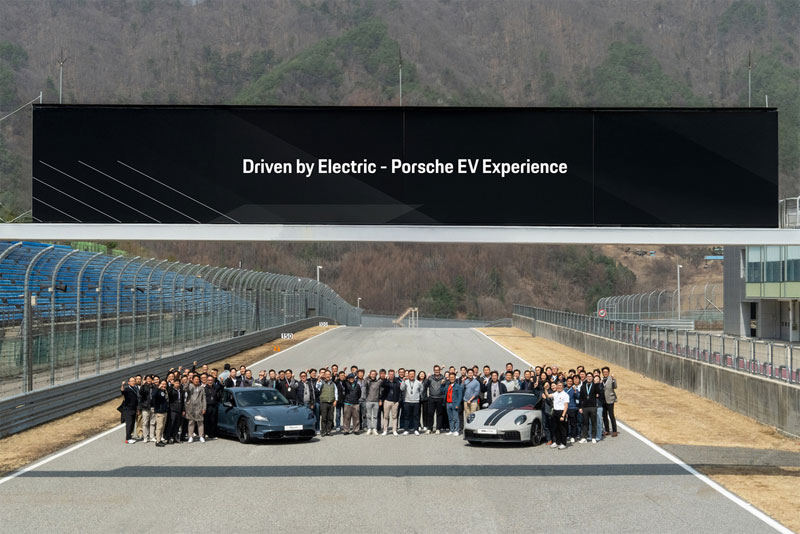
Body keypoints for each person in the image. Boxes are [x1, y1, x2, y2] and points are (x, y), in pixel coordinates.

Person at [579, 372, 602, 443]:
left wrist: (597, 383)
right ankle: (584, 437)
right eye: (588, 376)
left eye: (590, 376)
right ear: (586, 377)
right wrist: (580, 407)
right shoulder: (583, 386)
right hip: (585, 407)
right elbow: (581, 397)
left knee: (593, 422)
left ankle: (593, 437)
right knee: (585, 422)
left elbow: (599, 392)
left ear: (592, 378)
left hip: (593, 406)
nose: (589, 378)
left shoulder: (595, 385)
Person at [424, 366, 447, 434]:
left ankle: (438, 428)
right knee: (430, 414)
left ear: (440, 370)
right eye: (435, 370)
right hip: (431, 398)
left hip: (440, 398)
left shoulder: (443, 378)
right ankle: (429, 428)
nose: (436, 371)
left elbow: (446, 388)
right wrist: (427, 378)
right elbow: (425, 385)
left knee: (439, 414)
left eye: (438, 370)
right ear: (433, 371)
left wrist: (444, 383)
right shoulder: (430, 377)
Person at [185, 375, 207, 443]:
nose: (196, 380)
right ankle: (190, 436)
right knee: (191, 422)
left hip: (199, 407)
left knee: (200, 422)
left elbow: (204, 398)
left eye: (197, 379)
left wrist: (204, 408)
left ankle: (201, 436)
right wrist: (188, 381)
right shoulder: (190, 386)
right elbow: (185, 388)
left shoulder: (201, 388)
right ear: (192, 380)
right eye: (195, 379)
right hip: (190, 407)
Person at [400, 369, 422, 435]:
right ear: (408, 375)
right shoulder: (406, 381)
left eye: (413, 374)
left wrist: (417, 396)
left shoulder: (418, 382)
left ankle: (416, 429)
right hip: (407, 401)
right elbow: (402, 388)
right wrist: (403, 381)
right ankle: (406, 429)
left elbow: (421, 390)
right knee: (407, 416)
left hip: (416, 402)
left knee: (416, 416)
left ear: (415, 375)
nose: (411, 375)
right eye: (410, 374)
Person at [316, 370, 338, 436]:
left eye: (329, 374)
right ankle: (323, 431)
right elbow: (317, 387)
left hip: (331, 402)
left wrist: (336, 400)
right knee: (324, 418)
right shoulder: (321, 383)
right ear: (324, 375)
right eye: (326, 374)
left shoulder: (333, 384)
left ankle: (328, 431)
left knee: (330, 417)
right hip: (324, 402)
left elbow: (336, 392)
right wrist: (319, 379)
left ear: (330, 375)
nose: (328, 376)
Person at [380, 369, 402, 436]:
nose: (391, 375)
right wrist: (385, 379)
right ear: (388, 374)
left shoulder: (396, 381)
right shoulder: (386, 381)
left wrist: (398, 400)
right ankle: (385, 430)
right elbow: (382, 385)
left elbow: (399, 390)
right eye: (390, 374)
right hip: (387, 401)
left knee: (394, 416)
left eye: (392, 374)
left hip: (395, 401)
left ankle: (394, 430)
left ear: (394, 375)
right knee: (386, 416)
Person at [550, 381, 570, 450]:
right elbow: (548, 396)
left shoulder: (565, 395)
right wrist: (545, 389)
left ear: (563, 387)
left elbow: (566, 406)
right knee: (555, 428)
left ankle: (563, 443)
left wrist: (563, 415)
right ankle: (557, 442)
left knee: (562, 428)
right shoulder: (555, 393)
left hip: (561, 412)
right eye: (558, 385)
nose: (559, 387)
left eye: (560, 385)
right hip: (555, 411)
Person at [120, 377, 139, 444]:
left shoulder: (135, 388)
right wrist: (122, 385)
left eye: (134, 381)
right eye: (132, 381)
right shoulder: (127, 389)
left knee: (132, 423)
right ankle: (127, 439)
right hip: (128, 409)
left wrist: (137, 409)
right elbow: (122, 391)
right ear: (129, 383)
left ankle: (130, 437)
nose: (133, 382)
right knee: (129, 424)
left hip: (134, 408)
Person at [362, 369, 381, 435]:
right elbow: (364, 384)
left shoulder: (378, 382)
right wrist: (367, 377)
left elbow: (380, 391)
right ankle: (369, 428)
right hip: (369, 401)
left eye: (374, 374)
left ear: (376, 375)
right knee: (368, 416)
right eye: (372, 374)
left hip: (376, 401)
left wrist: (380, 400)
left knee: (375, 416)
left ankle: (374, 429)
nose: (373, 375)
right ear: (370, 374)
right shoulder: (367, 381)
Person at [166, 378, 184, 444]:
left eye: (178, 383)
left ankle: (175, 437)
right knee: (171, 424)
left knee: (177, 424)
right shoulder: (171, 390)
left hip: (179, 409)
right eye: (176, 383)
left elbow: (182, 401)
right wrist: (171, 385)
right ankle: (168, 438)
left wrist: (183, 409)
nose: (177, 384)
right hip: (172, 409)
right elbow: (169, 393)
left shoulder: (181, 390)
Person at [137, 375, 155, 442]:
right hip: (145, 407)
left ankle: (152, 437)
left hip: (153, 407)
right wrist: (142, 385)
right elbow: (140, 393)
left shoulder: (154, 387)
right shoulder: (143, 387)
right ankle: (145, 437)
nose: (148, 380)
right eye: (147, 379)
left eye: (150, 379)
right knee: (145, 423)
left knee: (152, 423)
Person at [602, 366, 618, 437]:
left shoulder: (611, 379)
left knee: (611, 415)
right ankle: (607, 430)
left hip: (610, 399)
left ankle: (614, 431)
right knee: (604, 416)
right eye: (604, 372)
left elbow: (615, 386)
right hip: (603, 400)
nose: (605, 373)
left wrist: (613, 379)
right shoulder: (601, 379)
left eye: (606, 372)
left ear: (608, 372)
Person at [152, 379, 169, 447]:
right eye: (162, 384)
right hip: (159, 411)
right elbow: (153, 395)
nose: (164, 385)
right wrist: (158, 388)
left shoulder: (164, 391)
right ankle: (158, 441)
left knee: (162, 426)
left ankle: (160, 439)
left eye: (165, 384)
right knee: (159, 426)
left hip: (164, 411)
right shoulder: (156, 390)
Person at [204, 374, 221, 439]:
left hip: (213, 406)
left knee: (213, 421)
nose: (210, 381)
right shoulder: (204, 388)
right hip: (207, 406)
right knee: (206, 421)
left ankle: (212, 434)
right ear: (207, 381)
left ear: (213, 381)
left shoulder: (215, 387)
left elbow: (221, 387)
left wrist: (221, 381)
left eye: (211, 380)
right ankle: (205, 433)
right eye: (209, 380)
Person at [565, 376, 580, 443]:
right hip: (565, 408)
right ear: (566, 382)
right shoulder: (564, 389)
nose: (569, 382)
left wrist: (575, 391)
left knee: (573, 423)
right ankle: (567, 435)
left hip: (572, 408)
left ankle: (573, 436)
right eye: (568, 381)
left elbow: (578, 396)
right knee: (565, 423)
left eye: (571, 381)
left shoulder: (574, 389)